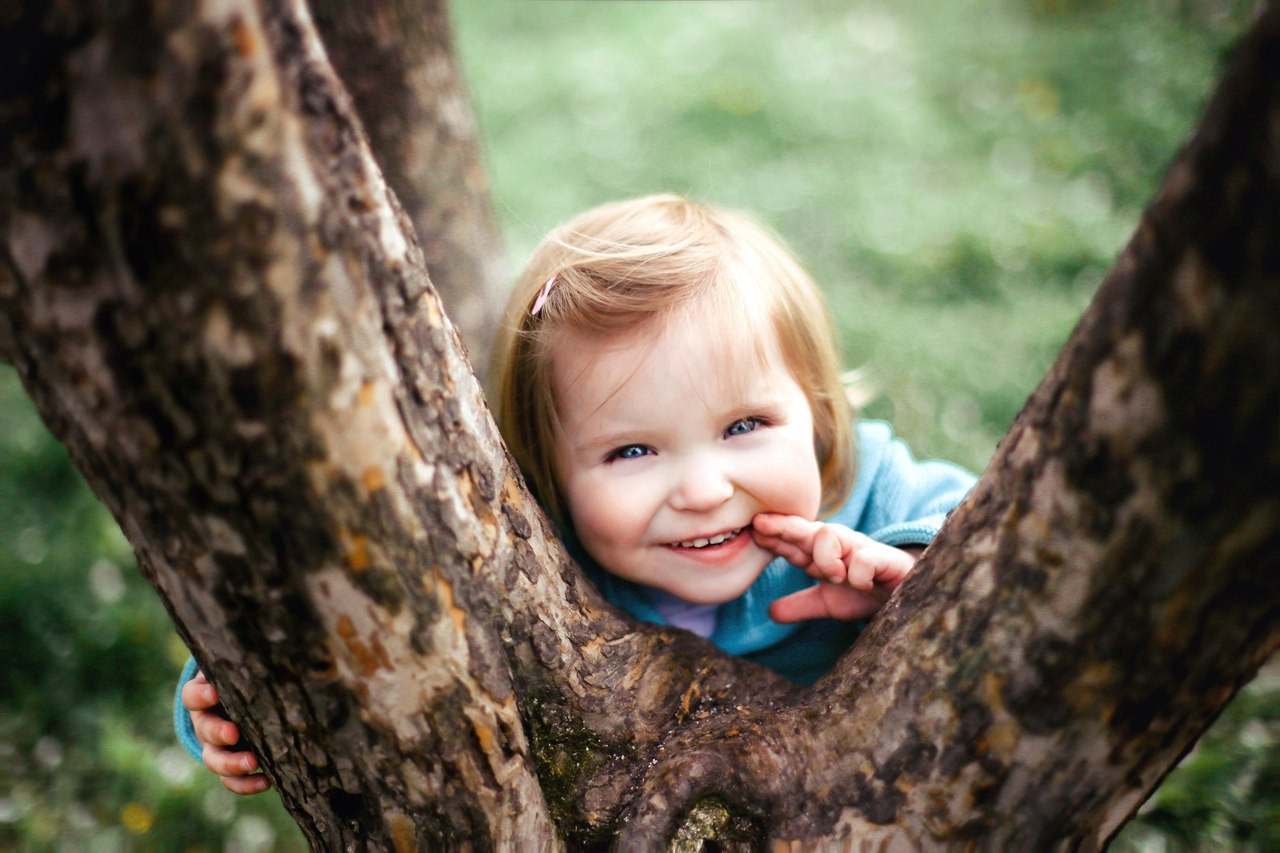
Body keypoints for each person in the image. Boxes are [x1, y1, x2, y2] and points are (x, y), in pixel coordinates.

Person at [176, 194, 976, 793]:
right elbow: (362, 613)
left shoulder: (865, 494)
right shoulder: (537, 562)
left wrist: (911, 557)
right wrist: (230, 702)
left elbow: (979, 520)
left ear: (820, 418)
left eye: (745, 425)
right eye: (632, 449)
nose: (703, 488)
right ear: (548, 476)